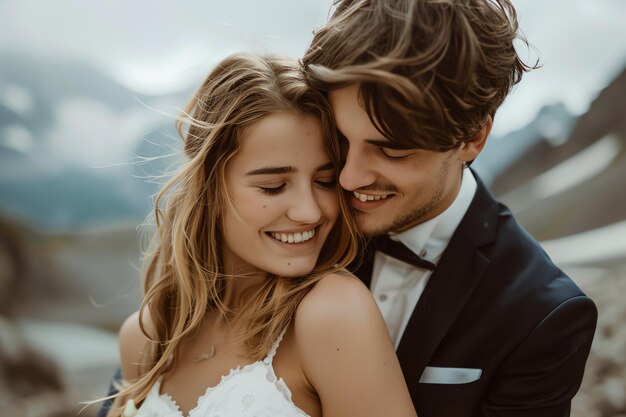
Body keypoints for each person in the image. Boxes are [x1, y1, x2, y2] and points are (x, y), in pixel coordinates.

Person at [301, 0, 597, 416]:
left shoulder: (543, 315)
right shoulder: (296, 230)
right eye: (340, 139)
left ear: (473, 137)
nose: (349, 178)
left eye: (391, 151)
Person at [97, 54, 417, 417]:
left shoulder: (333, 314)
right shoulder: (146, 337)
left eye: (324, 182)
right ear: (209, 189)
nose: (309, 211)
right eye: (273, 186)